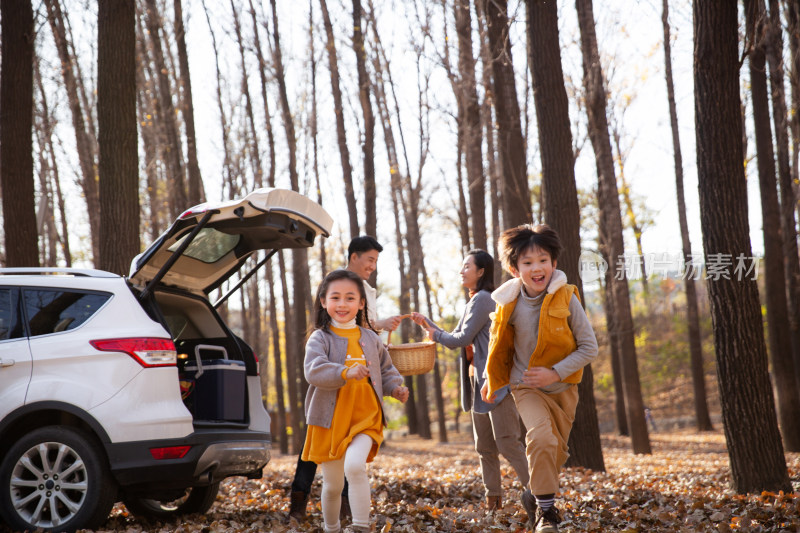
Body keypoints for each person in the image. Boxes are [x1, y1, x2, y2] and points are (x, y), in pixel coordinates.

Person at [481, 224, 598, 533]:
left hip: (563, 388)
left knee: (554, 453)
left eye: (543, 260)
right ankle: (547, 514)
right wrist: (488, 378)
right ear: (514, 268)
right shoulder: (507, 303)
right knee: (541, 439)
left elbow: (589, 347)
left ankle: (534, 495)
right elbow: (497, 345)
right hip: (525, 386)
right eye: (528, 262)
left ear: (554, 263)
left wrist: (554, 372)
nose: (537, 268)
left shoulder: (567, 298)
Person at [290, 236, 402, 521]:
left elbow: (385, 368)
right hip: (330, 417)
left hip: (365, 415)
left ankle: (360, 524)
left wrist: (395, 387)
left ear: (361, 303)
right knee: (332, 483)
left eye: (350, 299)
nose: (343, 303)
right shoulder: (320, 337)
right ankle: (325, 521)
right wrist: (344, 372)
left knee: (355, 466)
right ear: (324, 301)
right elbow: (314, 370)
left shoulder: (369, 337)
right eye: (336, 298)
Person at [410, 250, 529, 513]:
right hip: (479, 386)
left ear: (481, 271)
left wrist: (434, 334)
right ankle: (493, 504)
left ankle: (539, 497)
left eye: (466, 266)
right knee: (485, 448)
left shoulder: (484, 299)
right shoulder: (474, 301)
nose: (461, 271)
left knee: (508, 443)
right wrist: (427, 325)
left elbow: (460, 340)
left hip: (495, 383)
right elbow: (456, 335)